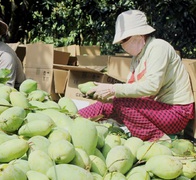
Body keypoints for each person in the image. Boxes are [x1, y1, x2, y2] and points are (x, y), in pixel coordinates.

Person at [78, 10, 195, 141]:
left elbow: (151, 87)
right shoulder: (137, 57)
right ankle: (74, 118)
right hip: (158, 109)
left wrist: (112, 89)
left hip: (176, 113)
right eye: (121, 41)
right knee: (108, 104)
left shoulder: (159, 47)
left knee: (121, 101)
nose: (122, 44)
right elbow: (131, 91)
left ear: (139, 34)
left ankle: (159, 139)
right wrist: (106, 94)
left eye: (125, 39)